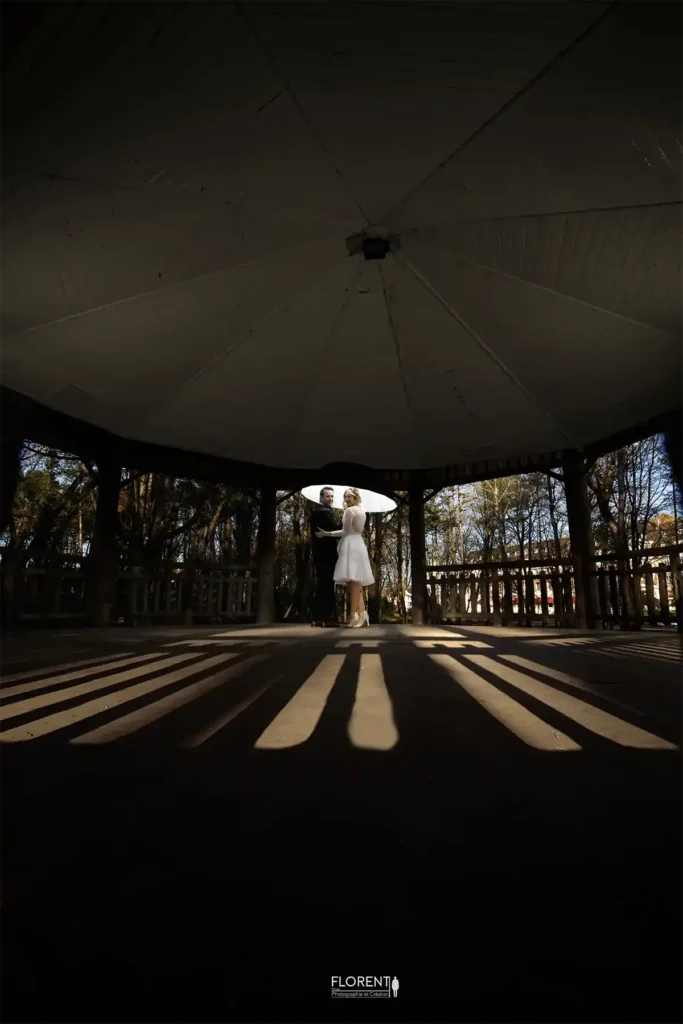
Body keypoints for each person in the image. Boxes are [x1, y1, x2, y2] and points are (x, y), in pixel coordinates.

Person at [315, 487, 374, 628]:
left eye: (350, 497)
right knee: (355, 582)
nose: (347, 499)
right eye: (345, 497)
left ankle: (354, 616)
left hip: (350, 545)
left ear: (355, 497)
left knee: (353, 582)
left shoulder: (349, 511)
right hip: (358, 543)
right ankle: (363, 614)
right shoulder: (362, 511)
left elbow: (345, 531)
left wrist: (326, 534)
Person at [309, 486, 340, 627]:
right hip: (325, 554)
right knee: (327, 585)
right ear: (321, 497)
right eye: (328, 496)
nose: (331, 499)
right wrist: (347, 520)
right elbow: (335, 527)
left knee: (324, 585)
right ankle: (325, 618)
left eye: (332, 496)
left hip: (321, 553)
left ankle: (318, 617)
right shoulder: (322, 512)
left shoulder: (322, 511)